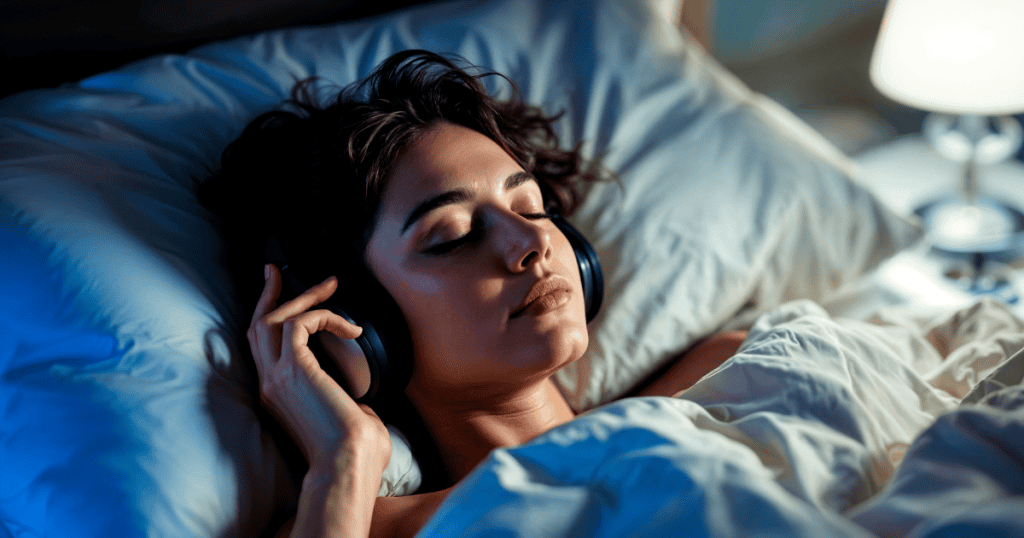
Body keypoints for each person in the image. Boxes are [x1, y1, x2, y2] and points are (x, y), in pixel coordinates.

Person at [200, 49, 746, 538]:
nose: (532, 241)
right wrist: (342, 459)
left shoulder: (733, 376)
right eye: (454, 236)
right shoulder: (366, 524)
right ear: (359, 321)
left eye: (531, 207)